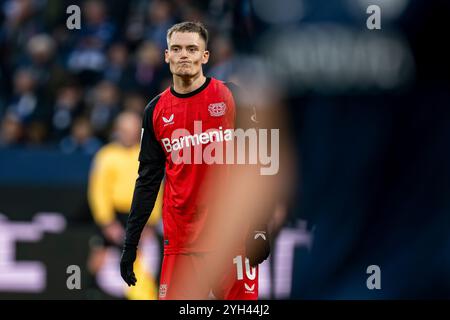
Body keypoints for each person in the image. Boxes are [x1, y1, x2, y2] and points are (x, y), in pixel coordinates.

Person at [119, 21, 270, 300]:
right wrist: (131, 243)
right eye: (176, 49)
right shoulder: (155, 110)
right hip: (181, 243)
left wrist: (259, 227)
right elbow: (147, 182)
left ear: (205, 56)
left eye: (192, 49)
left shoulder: (232, 97)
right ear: (166, 56)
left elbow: (257, 165)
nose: (184, 55)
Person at [88, 111, 163, 299]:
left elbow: (157, 190)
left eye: (132, 130)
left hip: (142, 218)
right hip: (116, 216)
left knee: (144, 266)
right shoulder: (107, 155)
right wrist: (106, 222)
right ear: (117, 131)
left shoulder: (149, 154)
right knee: (99, 263)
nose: (128, 134)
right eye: (124, 130)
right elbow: (99, 191)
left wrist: (151, 223)